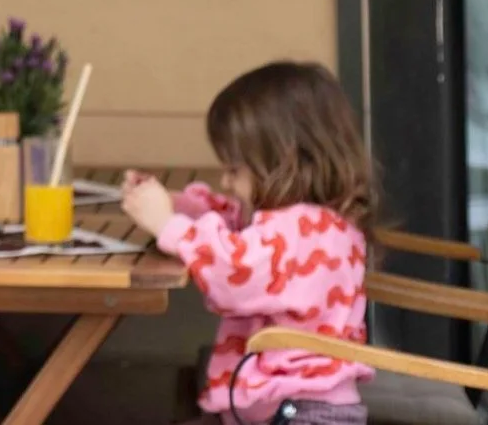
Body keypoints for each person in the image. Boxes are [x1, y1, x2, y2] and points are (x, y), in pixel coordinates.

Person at [119, 62, 373, 425]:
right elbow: (234, 226)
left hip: (300, 416)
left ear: (283, 162)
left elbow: (234, 271)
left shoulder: (301, 229)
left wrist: (168, 224)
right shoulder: (310, 222)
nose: (225, 181)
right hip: (284, 411)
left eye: (234, 170)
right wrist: (173, 206)